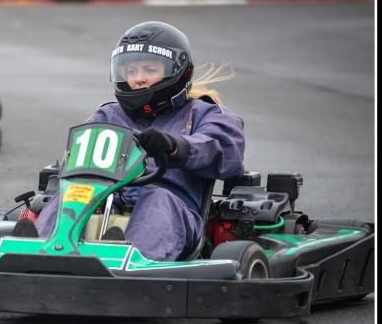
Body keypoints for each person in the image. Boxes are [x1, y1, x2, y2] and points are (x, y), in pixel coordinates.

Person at [29, 21, 246, 262]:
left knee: (156, 199)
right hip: (103, 200)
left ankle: (129, 259)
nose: (139, 79)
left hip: (173, 209)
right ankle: (39, 253)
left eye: (149, 70)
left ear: (178, 71)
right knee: (71, 195)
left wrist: (174, 146)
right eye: (131, 72)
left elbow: (223, 151)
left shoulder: (204, 113)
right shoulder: (107, 116)